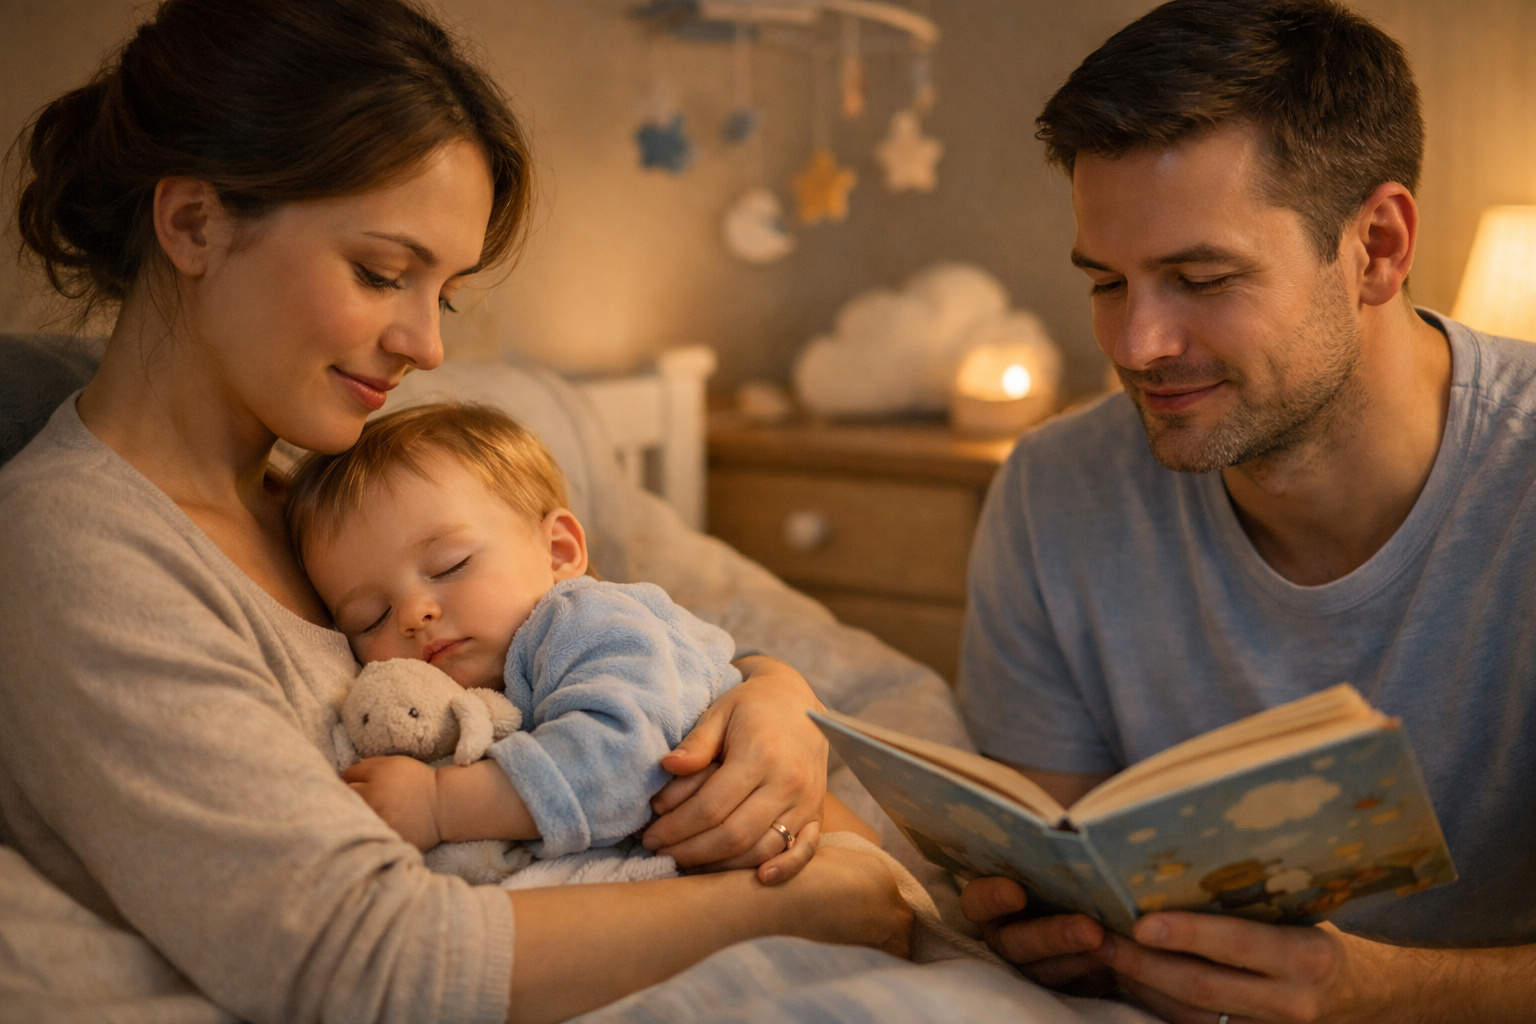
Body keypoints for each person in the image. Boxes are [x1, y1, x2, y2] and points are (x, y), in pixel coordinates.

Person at [0, 1, 912, 1022]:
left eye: (443, 295)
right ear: (192, 224)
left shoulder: (331, 496)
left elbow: (605, 633)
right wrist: (801, 906)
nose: (427, 347)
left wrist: (774, 695)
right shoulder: (77, 553)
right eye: (381, 273)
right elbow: (368, 963)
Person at [955, 0, 1536, 1020]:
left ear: (1378, 246)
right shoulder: (1053, 490)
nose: (1136, 346)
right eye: (1107, 283)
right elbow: (1056, 864)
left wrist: (1382, 995)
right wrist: (1043, 933)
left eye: (1201, 279)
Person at [288, 400, 747, 863]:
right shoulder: (467, 693)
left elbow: (623, 761)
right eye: (370, 617)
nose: (412, 614)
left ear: (558, 552)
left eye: (449, 565)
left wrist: (440, 802)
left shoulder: (586, 620)